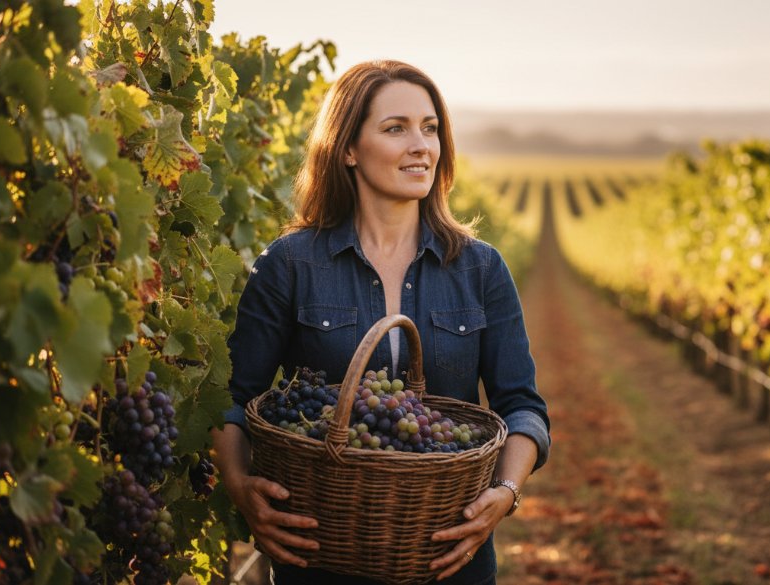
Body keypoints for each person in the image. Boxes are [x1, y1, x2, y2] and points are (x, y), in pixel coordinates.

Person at [212, 60, 551, 585]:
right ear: (347, 148)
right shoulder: (290, 265)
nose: (422, 145)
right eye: (396, 128)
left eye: (430, 128)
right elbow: (233, 398)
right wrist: (239, 486)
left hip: (451, 559)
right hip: (321, 560)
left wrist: (503, 495)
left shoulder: (481, 269)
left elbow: (523, 408)